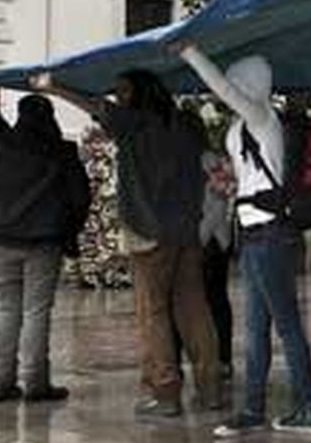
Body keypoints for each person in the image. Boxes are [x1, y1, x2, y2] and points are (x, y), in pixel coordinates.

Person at [37, 70, 223, 418]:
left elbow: (95, 107)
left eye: (123, 91)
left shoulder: (136, 123)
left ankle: (165, 393)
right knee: (195, 310)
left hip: (149, 232)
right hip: (188, 231)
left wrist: (55, 86)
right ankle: (211, 389)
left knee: (152, 314)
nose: (118, 97)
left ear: (140, 94)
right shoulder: (188, 125)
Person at [177, 45, 311, 436]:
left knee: (286, 326)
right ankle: (253, 410)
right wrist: (230, 183)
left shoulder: (261, 116)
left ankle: (308, 408)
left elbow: (225, 91)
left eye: (238, 83)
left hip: (271, 235)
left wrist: (191, 54)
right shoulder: (243, 127)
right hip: (252, 234)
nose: (231, 91)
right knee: (256, 329)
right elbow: (253, 175)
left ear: (250, 86)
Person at [0, 85, 90, 404]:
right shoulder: (63, 151)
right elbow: (81, 197)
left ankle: (2, 381)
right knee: (36, 311)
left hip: (3, 236)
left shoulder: (7, 143)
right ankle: (36, 383)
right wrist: (71, 231)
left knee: (6, 309)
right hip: (44, 239)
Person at [200, 149, 237, 379]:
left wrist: (201, 237)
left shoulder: (203, 162)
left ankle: (218, 358)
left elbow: (218, 205)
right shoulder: (211, 162)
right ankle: (221, 358)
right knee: (218, 302)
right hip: (218, 242)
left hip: (209, 243)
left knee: (213, 301)